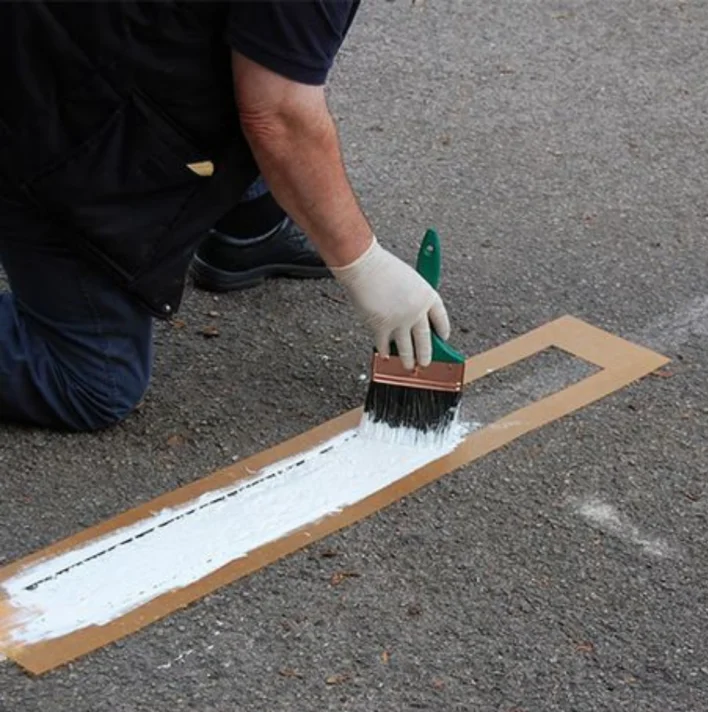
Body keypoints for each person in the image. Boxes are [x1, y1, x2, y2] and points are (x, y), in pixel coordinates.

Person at [0, 1, 451, 432]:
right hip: (39, 97)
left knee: (267, 47)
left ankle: (248, 223)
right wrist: (362, 263)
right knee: (92, 379)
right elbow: (278, 114)